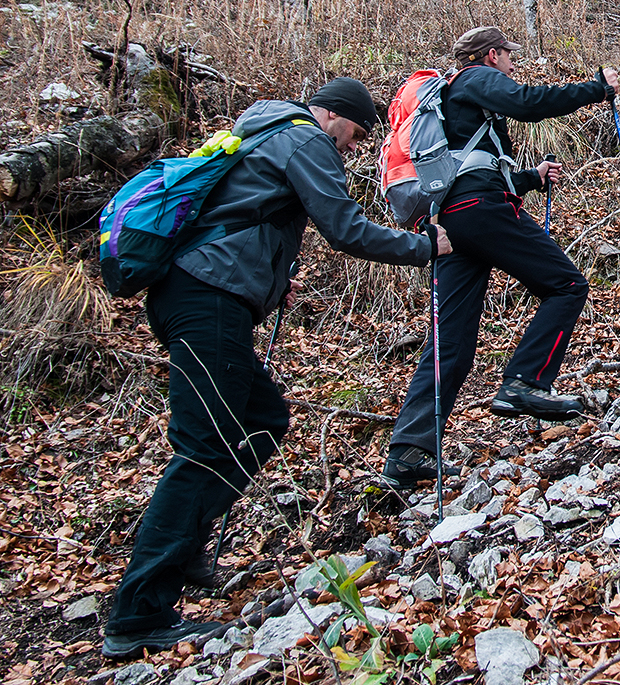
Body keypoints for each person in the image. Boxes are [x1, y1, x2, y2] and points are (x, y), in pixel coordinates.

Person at [103, 78, 453, 660]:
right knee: (204, 447)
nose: (349, 147)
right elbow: (343, 228)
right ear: (333, 115)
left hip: (198, 295)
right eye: (354, 134)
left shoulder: (258, 133)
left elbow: (240, 217)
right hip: (206, 299)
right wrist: (425, 248)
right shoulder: (303, 140)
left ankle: (184, 545)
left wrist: (265, 274)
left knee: (264, 417)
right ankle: (138, 614)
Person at [380, 27, 619, 487]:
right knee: (567, 285)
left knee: (449, 342)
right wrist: (595, 88)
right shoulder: (474, 78)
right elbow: (529, 102)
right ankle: (525, 382)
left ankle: (409, 452)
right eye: (509, 55)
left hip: (450, 224)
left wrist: (529, 177)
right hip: (481, 211)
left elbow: (471, 165)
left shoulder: (453, 97)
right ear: (492, 55)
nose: (512, 64)